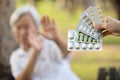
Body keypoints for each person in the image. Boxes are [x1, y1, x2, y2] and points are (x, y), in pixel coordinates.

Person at [9, 6, 80, 80]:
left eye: (27, 27)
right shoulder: (16, 57)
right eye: (18, 27)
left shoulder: (48, 43)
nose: (22, 32)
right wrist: (35, 51)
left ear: (36, 27)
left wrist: (57, 39)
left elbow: (66, 53)